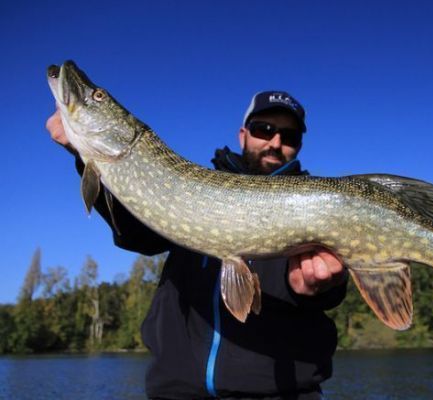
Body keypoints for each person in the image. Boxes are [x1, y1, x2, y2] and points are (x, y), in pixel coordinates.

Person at [46, 90, 348, 400]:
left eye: (289, 136)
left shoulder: (313, 204)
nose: (275, 142)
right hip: (178, 392)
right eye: (264, 130)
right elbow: (138, 235)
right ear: (243, 135)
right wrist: (82, 155)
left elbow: (336, 283)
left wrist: (322, 289)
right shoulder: (185, 187)